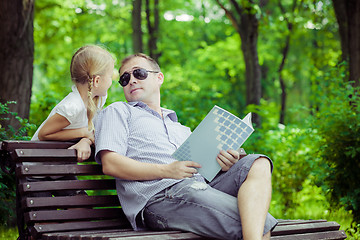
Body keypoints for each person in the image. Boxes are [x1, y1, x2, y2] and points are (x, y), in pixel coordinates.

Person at [94, 53, 278, 240]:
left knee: (258, 163)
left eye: (139, 73)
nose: (131, 80)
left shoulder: (180, 128)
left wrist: (224, 164)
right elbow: (111, 164)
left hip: (199, 188)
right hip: (160, 197)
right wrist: (166, 170)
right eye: (125, 79)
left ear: (159, 78)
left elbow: (202, 170)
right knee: (259, 223)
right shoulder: (118, 111)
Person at [30, 44, 115, 197]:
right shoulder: (72, 107)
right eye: (109, 76)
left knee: (82, 208)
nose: (111, 81)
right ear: (96, 81)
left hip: (58, 169)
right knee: (47, 216)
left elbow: (93, 132)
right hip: (36, 172)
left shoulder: (98, 99)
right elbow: (44, 134)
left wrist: (86, 139)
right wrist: (84, 132)